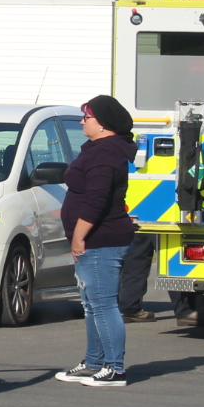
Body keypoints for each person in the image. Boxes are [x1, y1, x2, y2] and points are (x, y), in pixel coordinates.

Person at [55, 95, 138, 388]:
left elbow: (97, 200)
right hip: (93, 241)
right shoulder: (97, 149)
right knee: (92, 305)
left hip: (102, 240)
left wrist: (79, 236)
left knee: (103, 305)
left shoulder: (106, 153)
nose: (82, 122)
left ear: (103, 123)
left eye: (87, 117)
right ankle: (93, 362)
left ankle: (115, 369)